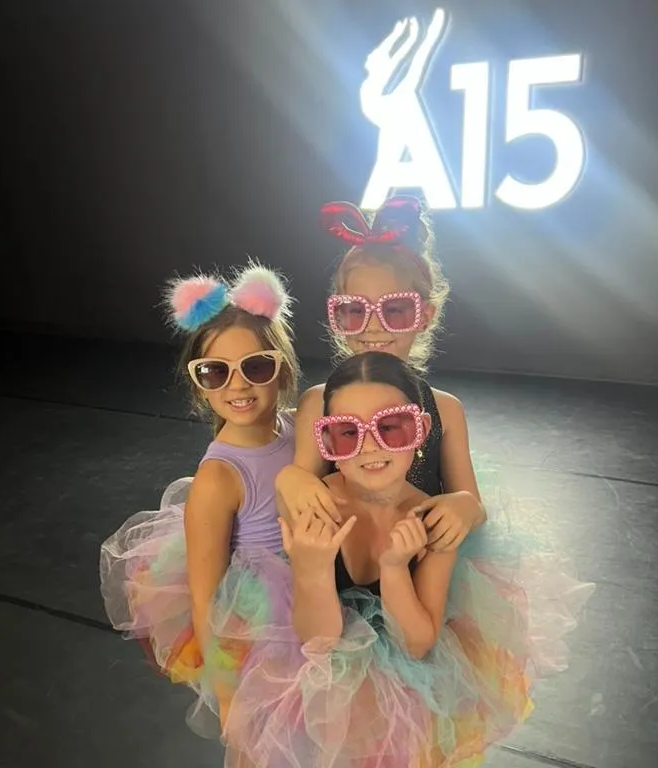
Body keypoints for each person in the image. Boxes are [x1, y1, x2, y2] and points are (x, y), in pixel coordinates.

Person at [214, 351, 595, 767]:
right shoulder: (314, 510)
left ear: (421, 430)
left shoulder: (432, 519)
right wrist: (313, 571)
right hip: (316, 687)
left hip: (408, 691)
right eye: (347, 433)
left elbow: (416, 644)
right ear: (326, 441)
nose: (370, 446)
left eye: (391, 427)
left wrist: (395, 569)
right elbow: (317, 642)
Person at [99, 261, 300, 728]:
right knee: (275, 731)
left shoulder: (295, 428)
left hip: (316, 587)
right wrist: (226, 693)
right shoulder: (219, 477)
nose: (238, 384)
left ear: (282, 369)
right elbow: (206, 597)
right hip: (260, 625)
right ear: (199, 385)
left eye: (256, 366)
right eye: (215, 372)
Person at [276, 195, 485, 553]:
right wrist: (290, 479)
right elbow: (301, 486)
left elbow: (472, 502)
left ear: (425, 315)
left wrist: (466, 506)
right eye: (356, 311)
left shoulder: (445, 410)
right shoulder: (317, 402)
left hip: (420, 561)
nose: (373, 326)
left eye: (395, 310)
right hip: (342, 561)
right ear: (337, 316)